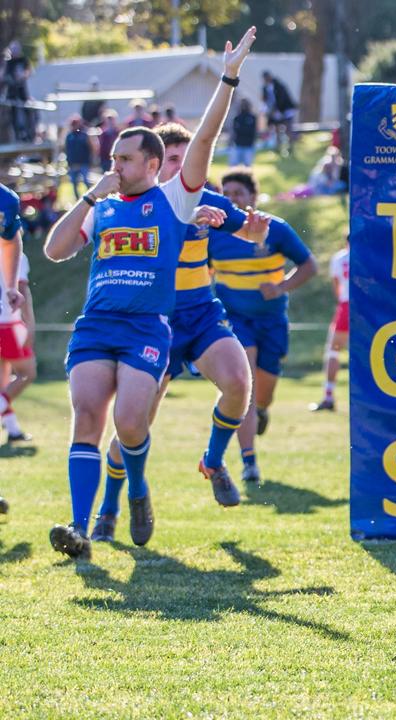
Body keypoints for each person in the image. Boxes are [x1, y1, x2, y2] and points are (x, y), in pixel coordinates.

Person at [42, 27, 258, 560]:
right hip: (97, 326)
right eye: (112, 158)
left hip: (147, 328)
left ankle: (137, 489)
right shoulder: (104, 203)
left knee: (131, 422)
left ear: (153, 164)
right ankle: (80, 527)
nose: (113, 165)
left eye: (123, 159)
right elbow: (54, 249)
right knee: (88, 416)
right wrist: (91, 196)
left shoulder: (174, 199)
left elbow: (204, 140)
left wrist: (228, 76)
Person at [92, 120, 263, 545]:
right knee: (134, 425)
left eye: (187, 159)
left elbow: (246, 227)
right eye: (173, 159)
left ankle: (213, 460)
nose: (184, 166)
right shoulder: (136, 204)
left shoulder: (204, 198)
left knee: (240, 383)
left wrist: (255, 231)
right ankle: (110, 507)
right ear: (153, 165)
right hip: (155, 323)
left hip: (201, 314)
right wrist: (190, 225)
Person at [211, 169, 316, 484]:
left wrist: (281, 287)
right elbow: (196, 271)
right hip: (235, 319)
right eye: (225, 193)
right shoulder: (212, 233)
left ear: (252, 198)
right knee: (248, 384)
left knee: (264, 394)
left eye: (238, 194)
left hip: (271, 321)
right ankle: (249, 462)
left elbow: (309, 265)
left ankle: (262, 412)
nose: (231, 199)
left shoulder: (276, 229)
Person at [1, 182, 33, 443]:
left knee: (4, 380)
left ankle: (12, 429)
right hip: (7, 322)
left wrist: (11, 288)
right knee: (27, 372)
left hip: (5, 314)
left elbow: (12, 240)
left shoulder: (6, 202)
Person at [311, 240, 349, 412]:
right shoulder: (369, 256)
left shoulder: (339, 258)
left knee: (333, 350)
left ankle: (328, 397)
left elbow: (337, 286)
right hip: (368, 308)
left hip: (346, 306)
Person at [261, 70, 297, 156]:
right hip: (275, 111)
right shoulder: (265, 88)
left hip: (285, 110)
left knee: (288, 129)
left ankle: (290, 148)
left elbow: (282, 99)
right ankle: (278, 148)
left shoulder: (279, 85)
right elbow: (265, 100)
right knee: (276, 130)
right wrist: (269, 111)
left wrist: (277, 110)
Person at [64, 115, 94, 198]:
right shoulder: (69, 136)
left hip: (84, 162)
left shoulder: (84, 135)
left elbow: (91, 148)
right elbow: (66, 149)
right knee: (74, 183)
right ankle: (77, 200)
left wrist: (91, 160)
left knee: (86, 181)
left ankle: (90, 198)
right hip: (73, 163)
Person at [229, 98, 257, 167]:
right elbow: (234, 131)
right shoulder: (237, 118)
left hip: (248, 145)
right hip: (238, 144)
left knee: (247, 165)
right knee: (233, 165)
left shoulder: (252, 118)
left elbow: (252, 131)